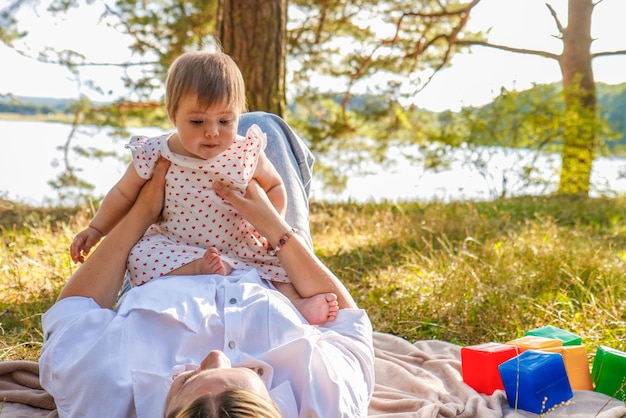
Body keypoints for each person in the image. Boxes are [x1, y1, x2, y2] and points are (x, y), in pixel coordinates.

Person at [39, 113, 375, 417]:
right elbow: (348, 321)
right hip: (266, 257)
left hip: (163, 264)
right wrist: (272, 225)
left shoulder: (101, 394)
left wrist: (142, 212)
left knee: (224, 136)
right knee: (265, 125)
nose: (215, 355)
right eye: (248, 372)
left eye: (186, 380)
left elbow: (73, 310)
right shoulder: (327, 399)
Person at [70, 50, 336, 325]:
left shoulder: (244, 152)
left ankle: (295, 304)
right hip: (177, 245)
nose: (212, 132)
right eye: (198, 121)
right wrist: (96, 228)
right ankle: (196, 270)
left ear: (238, 115)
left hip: (237, 243)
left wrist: (270, 224)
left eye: (225, 121)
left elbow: (274, 185)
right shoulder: (156, 153)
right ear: (173, 114)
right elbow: (123, 193)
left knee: (279, 262)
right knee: (140, 256)